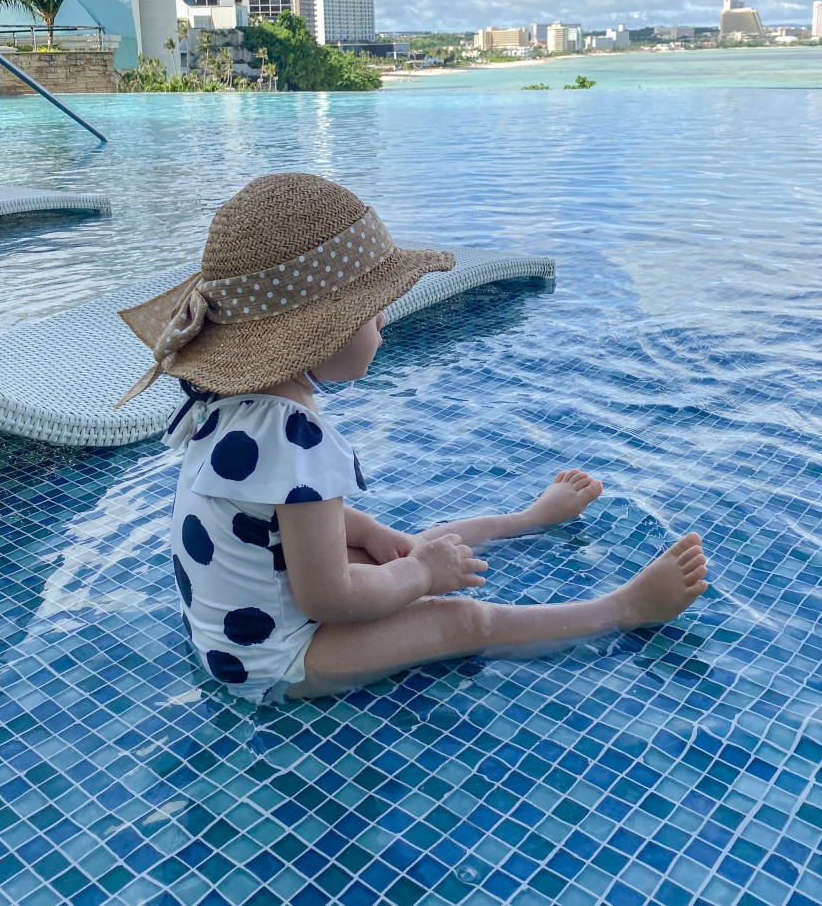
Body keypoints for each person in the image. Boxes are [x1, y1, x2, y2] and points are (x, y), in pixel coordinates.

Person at [116, 173, 708, 705]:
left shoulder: (230, 406)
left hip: (234, 631)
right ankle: (621, 610)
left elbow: (272, 515)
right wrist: (420, 577)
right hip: (279, 662)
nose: (383, 323)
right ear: (321, 333)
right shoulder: (297, 436)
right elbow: (327, 600)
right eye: (373, 311)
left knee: (402, 550)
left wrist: (376, 537)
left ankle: (527, 520)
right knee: (457, 619)